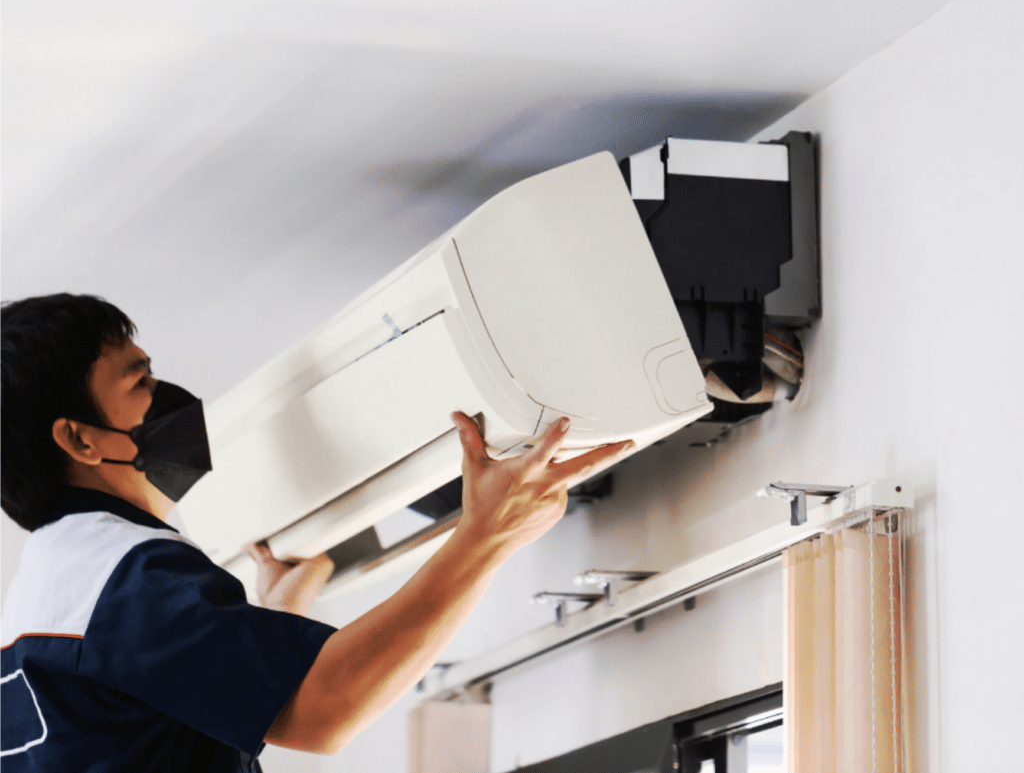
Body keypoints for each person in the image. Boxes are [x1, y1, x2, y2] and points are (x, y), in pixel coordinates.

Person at [0, 293, 633, 770]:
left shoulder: (48, 593)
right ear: (80, 438)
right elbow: (325, 711)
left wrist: (268, 620)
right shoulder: (125, 575)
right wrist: (485, 536)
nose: (164, 396)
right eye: (139, 382)